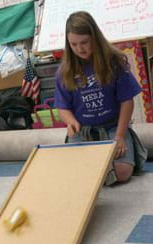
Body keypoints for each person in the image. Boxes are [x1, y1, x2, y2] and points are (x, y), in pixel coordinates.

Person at [54, 11, 147, 185]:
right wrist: (70, 121)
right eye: (74, 44)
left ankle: (97, 173)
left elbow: (127, 101)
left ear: (95, 38)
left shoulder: (115, 62)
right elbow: (63, 107)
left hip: (113, 126)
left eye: (85, 42)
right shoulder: (64, 71)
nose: (80, 49)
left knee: (122, 172)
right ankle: (95, 173)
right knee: (74, 170)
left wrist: (119, 135)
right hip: (83, 129)